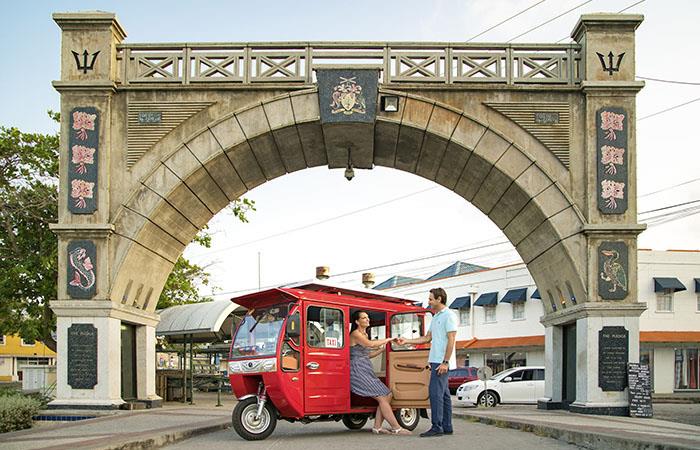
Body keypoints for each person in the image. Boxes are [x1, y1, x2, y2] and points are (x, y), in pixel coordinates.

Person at [397, 288, 457, 437]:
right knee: (444, 395)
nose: (428, 301)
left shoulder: (449, 316)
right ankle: (446, 426)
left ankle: (437, 426)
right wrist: (407, 341)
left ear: (439, 299)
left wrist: (445, 362)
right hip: (436, 360)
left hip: (441, 361)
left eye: (430, 299)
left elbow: (452, 340)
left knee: (435, 393)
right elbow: (427, 338)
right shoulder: (436, 317)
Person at [349, 310, 412, 435]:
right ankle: (396, 428)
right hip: (357, 370)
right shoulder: (356, 334)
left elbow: (367, 354)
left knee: (386, 396)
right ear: (357, 321)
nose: (367, 319)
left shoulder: (364, 334)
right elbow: (371, 344)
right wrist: (388, 339)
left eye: (367, 317)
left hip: (365, 368)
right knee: (384, 395)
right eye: (364, 318)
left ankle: (377, 427)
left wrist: (382, 350)